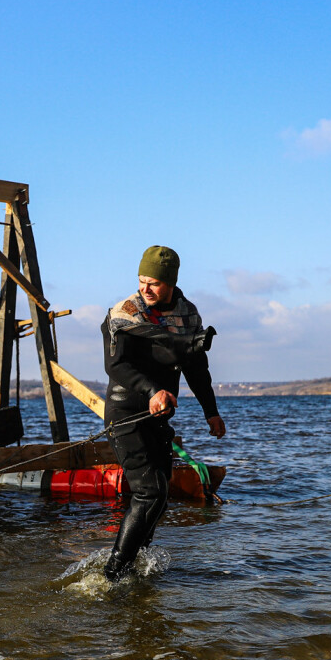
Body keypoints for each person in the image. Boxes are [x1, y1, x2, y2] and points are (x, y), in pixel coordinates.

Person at [101, 245, 226, 581]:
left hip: (159, 416)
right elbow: (116, 365)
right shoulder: (124, 313)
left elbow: (197, 368)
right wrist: (152, 390)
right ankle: (113, 575)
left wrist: (210, 412)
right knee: (150, 492)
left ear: (170, 282)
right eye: (141, 280)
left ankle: (137, 567)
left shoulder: (188, 316)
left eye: (153, 282)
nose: (145, 288)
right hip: (126, 410)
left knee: (161, 495)